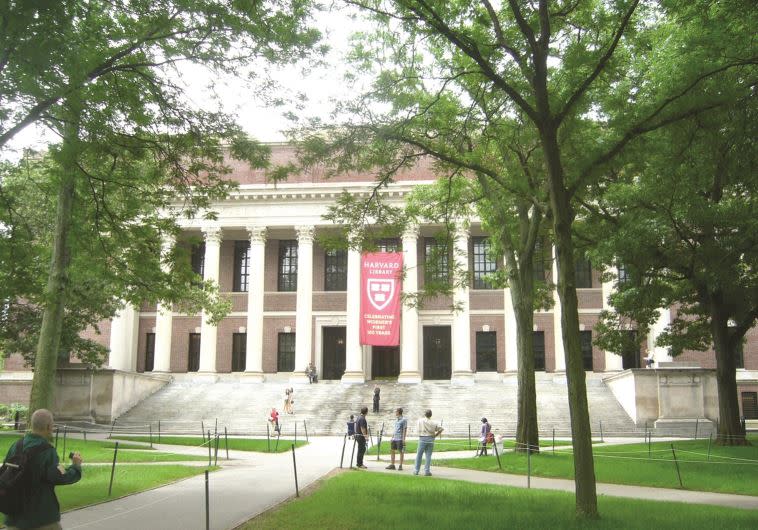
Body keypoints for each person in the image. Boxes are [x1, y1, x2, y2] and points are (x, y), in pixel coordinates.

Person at [2, 409, 82, 530]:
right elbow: (59, 476)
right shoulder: (47, 451)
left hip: (13, 516)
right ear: (49, 427)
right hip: (40, 519)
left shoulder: (16, 445)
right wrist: (76, 467)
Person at [414, 409, 443, 476]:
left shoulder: (420, 420)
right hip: (430, 438)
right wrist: (436, 435)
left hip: (422, 438)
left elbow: (417, 428)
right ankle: (427, 471)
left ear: (425, 414)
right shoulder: (434, 422)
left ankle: (416, 471)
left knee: (419, 455)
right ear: (431, 415)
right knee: (428, 455)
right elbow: (441, 429)